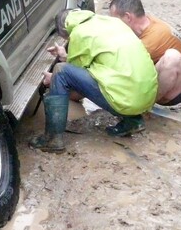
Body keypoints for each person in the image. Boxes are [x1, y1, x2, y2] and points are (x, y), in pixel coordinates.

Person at [29, 9, 157, 153]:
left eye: (68, 38)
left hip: (125, 99)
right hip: (148, 97)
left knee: (60, 71)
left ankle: (52, 139)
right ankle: (133, 121)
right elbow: (98, 59)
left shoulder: (79, 33)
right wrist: (67, 56)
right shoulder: (109, 22)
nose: (70, 40)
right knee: (120, 78)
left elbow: (71, 76)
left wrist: (53, 79)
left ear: (66, 30)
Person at [108, 0, 181, 106]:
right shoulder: (146, 23)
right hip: (155, 73)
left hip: (172, 93)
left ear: (128, 17)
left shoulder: (152, 39)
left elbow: (118, 64)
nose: (113, 25)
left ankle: (146, 105)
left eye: (115, 20)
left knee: (173, 57)